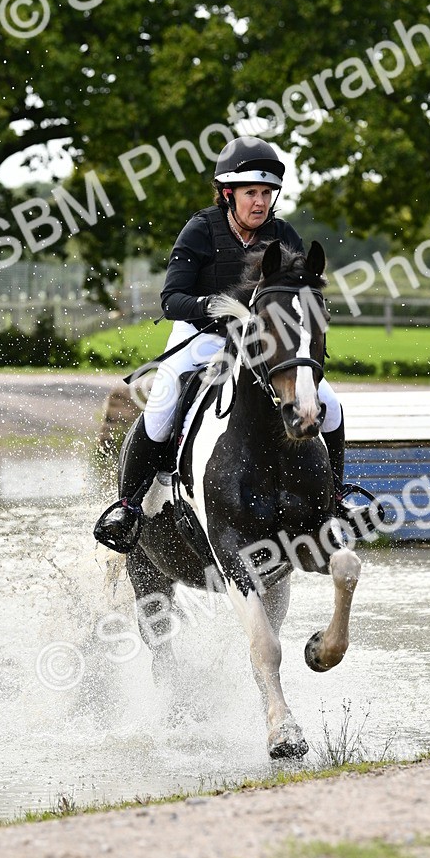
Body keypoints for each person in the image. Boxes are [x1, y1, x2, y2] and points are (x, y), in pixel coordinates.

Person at [93, 135, 349, 552]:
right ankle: (129, 507)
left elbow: (300, 298)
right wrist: (219, 308)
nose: (260, 202)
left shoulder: (283, 235)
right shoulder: (201, 229)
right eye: (251, 193)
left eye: (267, 193)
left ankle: (335, 500)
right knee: (162, 402)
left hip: (263, 347)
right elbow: (171, 300)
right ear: (228, 194)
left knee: (330, 404)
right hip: (201, 338)